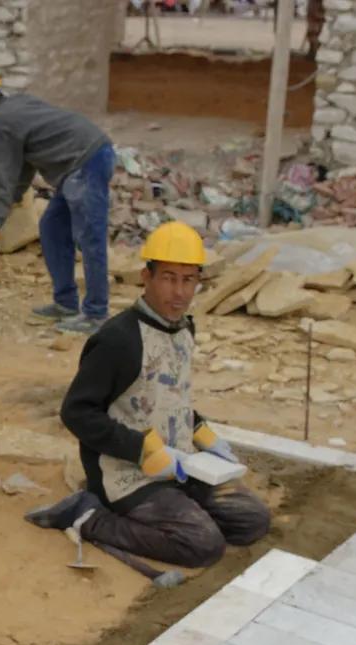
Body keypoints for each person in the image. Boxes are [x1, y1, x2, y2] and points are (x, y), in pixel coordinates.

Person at [24, 222, 272, 568]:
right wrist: (143, 450)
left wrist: (202, 433)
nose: (179, 292)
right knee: (204, 545)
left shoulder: (184, 329)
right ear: (146, 277)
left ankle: (180, 511)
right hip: (128, 474)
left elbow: (169, 394)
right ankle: (89, 516)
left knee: (252, 520)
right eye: (169, 278)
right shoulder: (118, 339)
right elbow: (77, 412)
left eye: (189, 280)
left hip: (180, 465)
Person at [0, 66, 117, 335]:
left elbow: (0, 177)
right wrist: (12, 201)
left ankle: (96, 314)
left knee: (90, 237)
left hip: (85, 161)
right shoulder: (17, 105)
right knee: (52, 228)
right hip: (80, 161)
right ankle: (66, 303)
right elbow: (22, 167)